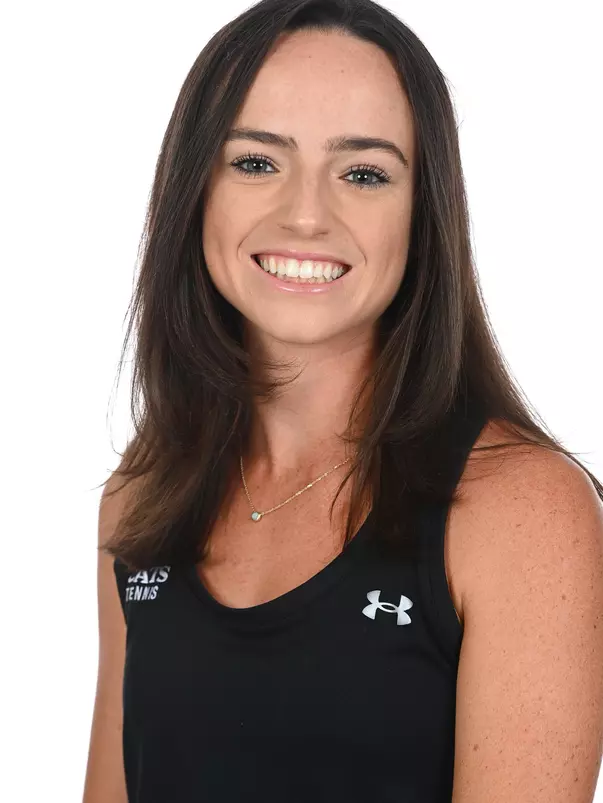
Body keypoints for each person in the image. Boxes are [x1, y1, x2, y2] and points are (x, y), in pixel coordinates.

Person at [83, 1, 603, 801]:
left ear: (421, 215)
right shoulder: (144, 492)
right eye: (256, 162)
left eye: (363, 173)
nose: (304, 213)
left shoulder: (518, 509)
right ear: (196, 190)